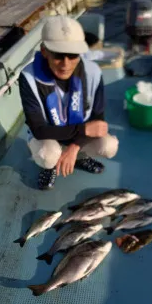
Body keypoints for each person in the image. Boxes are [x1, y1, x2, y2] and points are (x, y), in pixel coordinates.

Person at [18, 15, 119, 190]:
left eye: (72, 56)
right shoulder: (28, 78)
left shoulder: (93, 73)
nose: (65, 64)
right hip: (47, 134)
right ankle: (48, 167)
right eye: (58, 55)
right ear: (44, 51)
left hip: (76, 135)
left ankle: (80, 156)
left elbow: (98, 122)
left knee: (109, 146)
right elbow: (39, 129)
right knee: (48, 156)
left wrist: (74, 147)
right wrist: (84, 129)